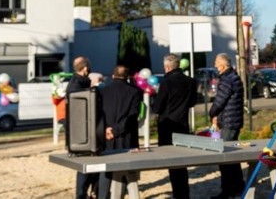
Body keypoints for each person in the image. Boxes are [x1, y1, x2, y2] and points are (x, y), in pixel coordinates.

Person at [151, 54, 198, 199]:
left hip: (168, 126)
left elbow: (157, 108)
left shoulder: (166, 82)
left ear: (167, 67)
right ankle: (183, 194)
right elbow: (192, 103)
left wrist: (154, 99)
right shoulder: (191, 81)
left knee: (172, 164)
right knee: (182, 163)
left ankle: (178, 194)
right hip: (182, 124)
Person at [98, 65, 143, 199]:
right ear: (128, 77)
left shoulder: (103, 91)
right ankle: (120, 196)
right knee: (125, 171)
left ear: (113, 75)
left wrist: (106, 129)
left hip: (107, 135)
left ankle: (102, 196)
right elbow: (132, 116)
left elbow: (99, 113)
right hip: (126, 136)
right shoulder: (134, 91)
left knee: (105, 170)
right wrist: (117, 131)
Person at [208, 53, 245, 199]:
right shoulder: (234, 77)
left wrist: (212, 113)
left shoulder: (226, 80)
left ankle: (228, 190)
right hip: (233, 121)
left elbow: (219, 101)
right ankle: (238, 187)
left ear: (223, 65)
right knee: (232, 157)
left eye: (216, 63)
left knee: (224, 158)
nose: (215, 65)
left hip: (229, 122)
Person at [66, 56, 100, 199]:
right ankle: (83, 194)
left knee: (92, 164)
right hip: (82, 131)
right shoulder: (78, 85)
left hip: (80, 131)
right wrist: (93, 89)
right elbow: (85, 105)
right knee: (87, 165)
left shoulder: (74, 83)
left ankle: (91, 192)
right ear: (85, 69)